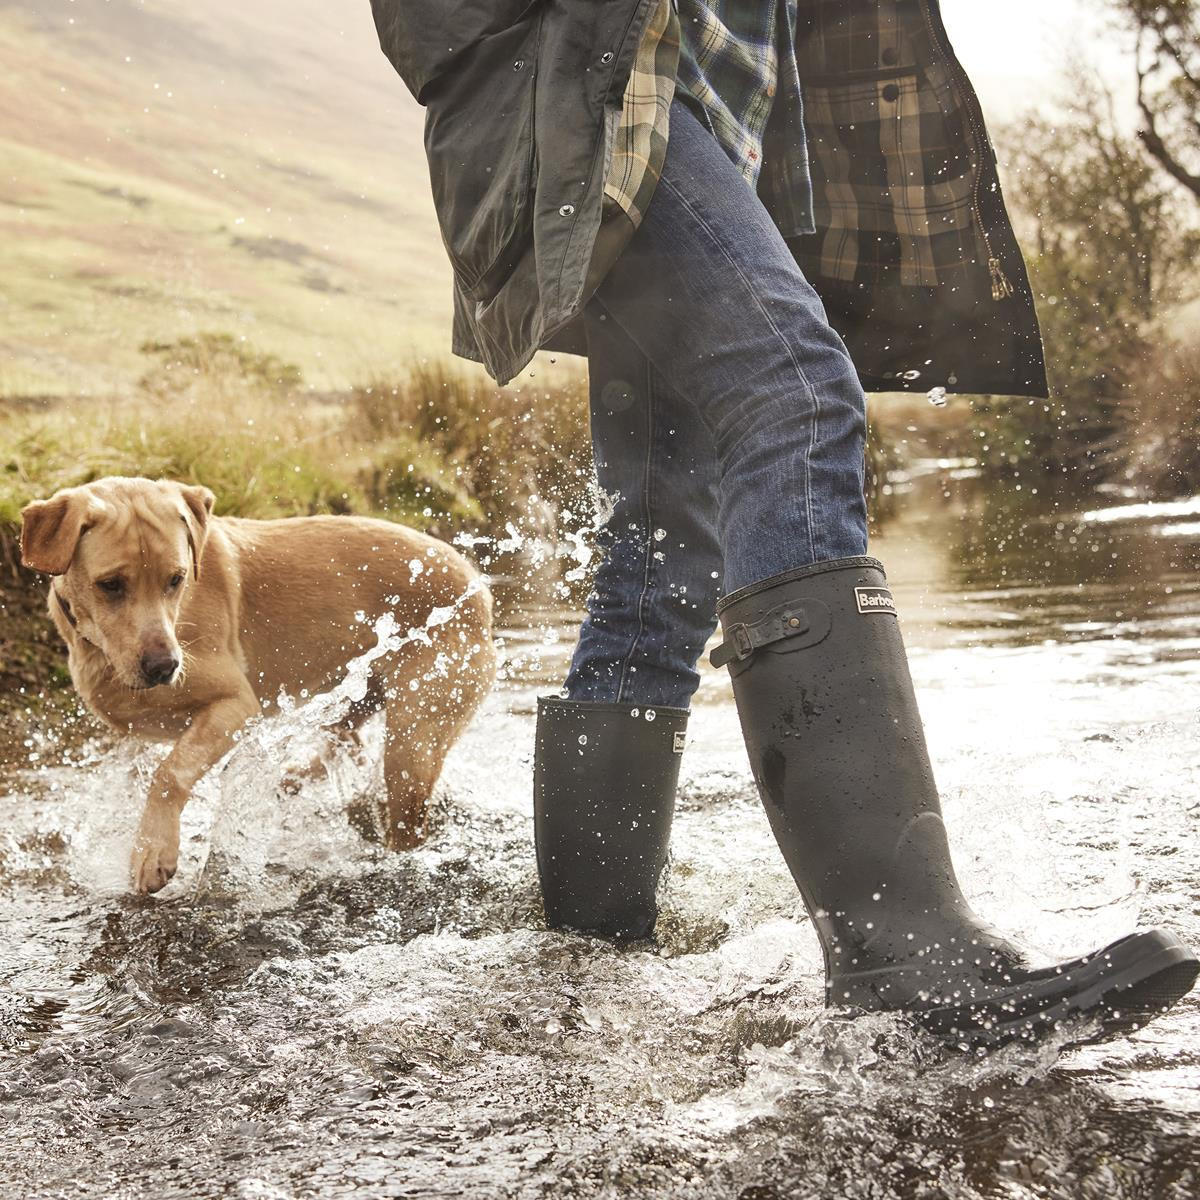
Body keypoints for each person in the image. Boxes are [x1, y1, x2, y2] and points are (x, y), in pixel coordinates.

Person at [370, 0, 1198, 1047]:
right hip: (602, 98)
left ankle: (584, 955)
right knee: (798, 396)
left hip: (702, 115)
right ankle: (904, 963)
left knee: (656, 558)